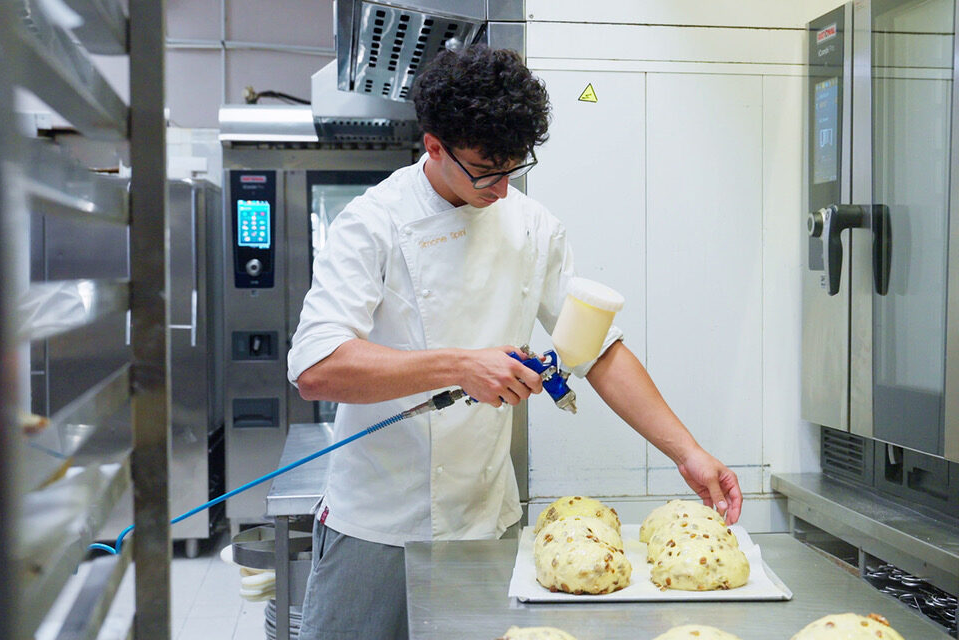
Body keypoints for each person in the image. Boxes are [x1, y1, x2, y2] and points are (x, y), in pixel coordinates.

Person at [286, 44, 743, 640]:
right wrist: (458, 365)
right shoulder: (373, 223)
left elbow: (598, 352)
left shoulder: (532, 227)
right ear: (433, 146)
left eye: (512, 168)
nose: (500, 189)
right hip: (377, 521)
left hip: (484, 519)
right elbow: (316, 368)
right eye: (484, 170)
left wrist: (688, 452)